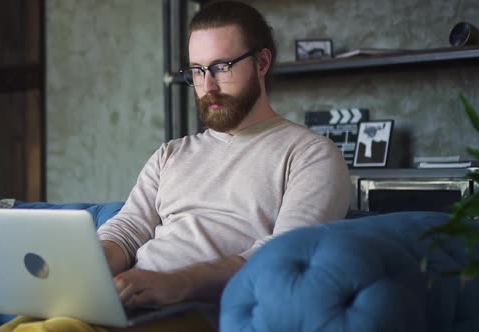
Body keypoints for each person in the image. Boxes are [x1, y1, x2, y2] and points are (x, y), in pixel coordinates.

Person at [97, 0, 352, 326]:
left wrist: (175, 284)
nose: (208, 87)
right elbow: (127, 230)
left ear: (261, 62)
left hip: (201, 311)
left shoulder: (311, 154)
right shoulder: (170, 154)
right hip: (128, 304)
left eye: (221, 67)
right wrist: (90, 268)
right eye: (198, 71)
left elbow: (284, 256)